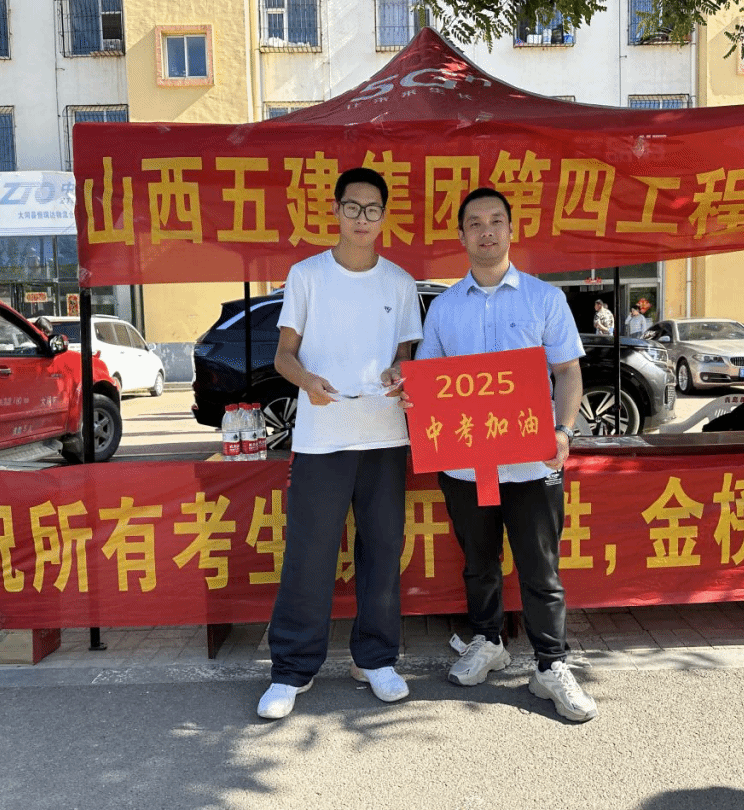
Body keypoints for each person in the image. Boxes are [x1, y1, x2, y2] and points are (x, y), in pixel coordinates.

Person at [410, 187, 598, 722]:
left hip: (532, 461)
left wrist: (563, 431)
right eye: (475, 223)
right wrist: (410, 391)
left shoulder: (544, 299)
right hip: (465, 465)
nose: (486, 231)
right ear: (462, 236)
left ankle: (550, 664)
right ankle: (488, 641)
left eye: (496, 221)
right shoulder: (444, 307)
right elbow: (430, 381)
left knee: (540, 568)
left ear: (511, 230)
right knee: (478, 562)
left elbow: (567, 373)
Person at [256, 167, 423, 720]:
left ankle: (375, 659)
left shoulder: (400, 282)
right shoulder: (307, 275)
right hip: (321, 439)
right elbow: (284, 356)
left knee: (382, 550)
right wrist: (308, 382)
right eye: (353, 207)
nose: (362, 219)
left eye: (372, 209)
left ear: (384, 216)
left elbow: (406, 358)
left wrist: (400, 375)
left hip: (384, 437)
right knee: (309, 554)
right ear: (336, 209)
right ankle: (291, 670)